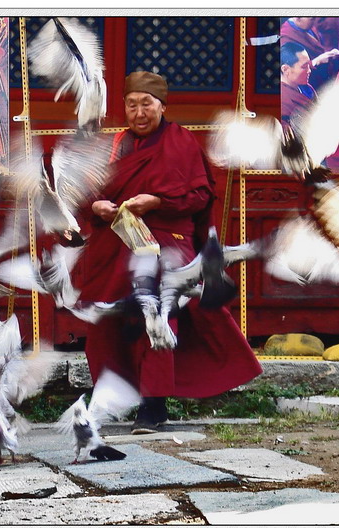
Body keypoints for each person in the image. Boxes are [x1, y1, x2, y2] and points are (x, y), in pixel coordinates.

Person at [77, 71, 262, 434]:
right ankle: (115, 396)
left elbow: (199, 195)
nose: (139, 112)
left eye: (147, 104)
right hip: (117, 244)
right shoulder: (115, 145)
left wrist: (157, 201)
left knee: (158, 318)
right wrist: (97, 207)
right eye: (132, 105)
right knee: (112, 322)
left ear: (162, 106)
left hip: (163, 244)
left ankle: (154, 405)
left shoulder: (181, 143)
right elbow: (86, 195)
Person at [279, 17, 339, 90]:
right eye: (312, 19)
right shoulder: (285, 37)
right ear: (298, 17)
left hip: (323, 77)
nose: (314, 22)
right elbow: (292, 70)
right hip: (307, 84)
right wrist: (316, 61)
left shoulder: (308, 25)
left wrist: (328, 53)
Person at [280, 41, 316, 127]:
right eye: (304, 67)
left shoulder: (307, 88)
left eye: (308, 65)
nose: (309, 71)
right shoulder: (282, 101)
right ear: (285, 69)